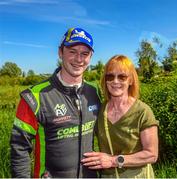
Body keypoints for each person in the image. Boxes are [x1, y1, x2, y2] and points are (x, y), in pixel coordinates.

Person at [10, 27, 101, 178]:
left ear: (90, 57)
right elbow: (19, 147)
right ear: (60, 52)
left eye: (84, 54)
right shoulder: (34, 96)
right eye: (72, 52)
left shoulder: (94, 92)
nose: (79, 59)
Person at [81, 55, 159, 178]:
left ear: (131, 80)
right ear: (105, 80)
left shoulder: (142, 111)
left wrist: (113, 161)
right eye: (110, 76)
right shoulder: (99, 111)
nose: (115, 81)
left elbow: (152, 154)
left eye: (122, 77)